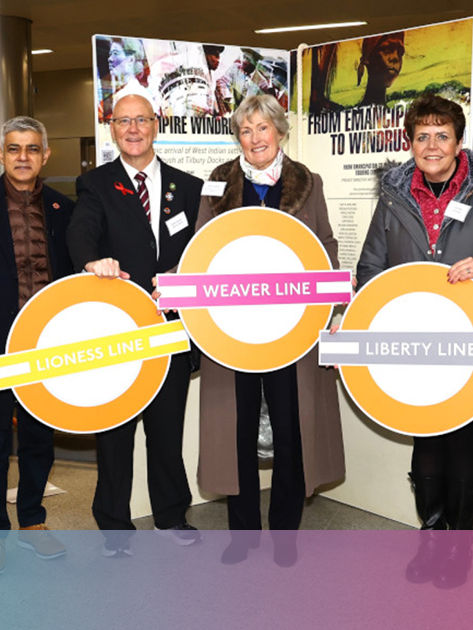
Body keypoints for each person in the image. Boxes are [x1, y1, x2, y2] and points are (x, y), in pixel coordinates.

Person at [357, 93, 473, 587]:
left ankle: (460, 544)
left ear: (459, 141)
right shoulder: (394, 196)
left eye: (442, 135)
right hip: (412, 343)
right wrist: (362, 314)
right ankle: (432, 536)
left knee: (461, 437)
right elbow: (370, 267)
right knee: (426, 437)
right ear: (410, 142)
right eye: (422, 136)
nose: (432, 145)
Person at [195, 93, 345, 567]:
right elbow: (201, 250)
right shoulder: (218, 182)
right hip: (232, 330)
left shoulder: (308, 182)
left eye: (263, 128)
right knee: (236, 429)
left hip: (292, 329)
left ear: (280, 131)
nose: (255, 138)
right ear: (236, 136)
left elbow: (324, 244)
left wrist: (335, 305)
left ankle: (284, 532)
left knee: (290, 426)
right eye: (245, 129)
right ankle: (242, 534)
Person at [67, 89, 203, 557]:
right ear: (112, 129)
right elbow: (80, 231)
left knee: (167, 429)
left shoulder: (188, 186)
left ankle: (171, 515)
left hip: (171, 328)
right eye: (123, 121)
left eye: (141, 120)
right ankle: (115, 526)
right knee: (117, 432)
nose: (133, 129)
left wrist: (186, 283)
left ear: (155, 124)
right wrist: (91, 261)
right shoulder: (96, 185)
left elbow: (201, 253)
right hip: (120, 329)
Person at [0, 116, 75, 575]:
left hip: (47, 344)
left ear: (45, 155)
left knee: (40, 439)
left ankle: (33, 522)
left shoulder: (66, 209)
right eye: (14, 149)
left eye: (32, 149)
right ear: (0, 155)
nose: (23, 157)